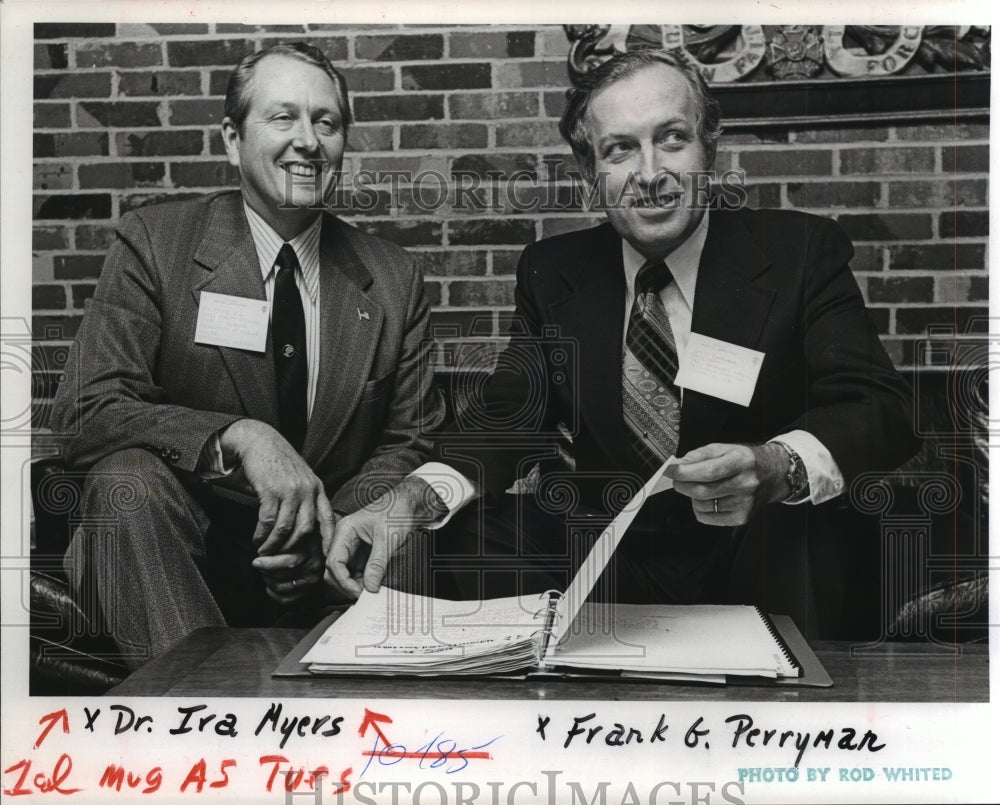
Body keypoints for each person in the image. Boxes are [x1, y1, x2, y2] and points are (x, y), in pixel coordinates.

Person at [325, 48, 920, 635]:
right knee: (473, 525)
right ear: (591, 172)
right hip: (608, 548)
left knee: (807, 531)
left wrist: (775, 467)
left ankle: (789, 705)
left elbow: (880, 408)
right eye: (621, 149)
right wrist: (414, 497)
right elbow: (509, 417)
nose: (651, 172)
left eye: (673, 139)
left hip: (757, 549)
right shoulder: (553, 271)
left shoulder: (799, 254)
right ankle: (528, 689)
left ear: (708, 148)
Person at [50, 42, 444, 668]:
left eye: (326, 122)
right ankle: (206, 730)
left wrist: (326, 528)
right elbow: (85, 411)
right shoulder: (156, 244)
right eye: (283, 117)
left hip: (332, 567)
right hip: (177, 557)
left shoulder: (392, 278)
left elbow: (411, 441)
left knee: (418, 524)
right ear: (233, 139)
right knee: (125, 480)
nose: (308, 142)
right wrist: (239, 437)